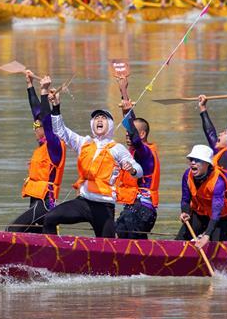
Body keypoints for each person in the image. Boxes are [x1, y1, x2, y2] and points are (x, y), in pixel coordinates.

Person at [42, 84, 142, 238]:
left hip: (104, 206)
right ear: (92, 124)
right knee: (49, 218)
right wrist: (56, 106)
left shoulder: (117, 148)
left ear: (109, 125)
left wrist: (132, 169)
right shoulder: (83, 143)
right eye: (96, 118)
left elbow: (138, 170)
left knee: (107, 247)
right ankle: (54, 254)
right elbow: (60, 131)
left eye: (103, 118)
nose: (99, 120)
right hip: (83, 202)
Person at [7, 72, 66, 233]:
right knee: (41, 237)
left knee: (12, 229)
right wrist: (29, 85)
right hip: (37, 200)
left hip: (45, 203)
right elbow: (36, 111)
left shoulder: (54, 145)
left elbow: (45, 119)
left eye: (36, 127)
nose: (34, 128)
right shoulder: (42, 145)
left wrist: (44, 91)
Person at [114, 77, 160, 239]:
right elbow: (131, 130)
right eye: (126, 134)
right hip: (132, 207)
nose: (127, 136)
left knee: (130, 241)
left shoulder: (145, 152)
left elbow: (133, 135)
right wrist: (122, 92)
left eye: (131, 134)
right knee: (118, 233)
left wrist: (125, 94)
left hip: (143, 210)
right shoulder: (134, 152)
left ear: (142, 134)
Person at [177, 145, 227, 248]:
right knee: (178, 243)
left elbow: (216, 212)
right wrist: (185, 212)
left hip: (219, 220)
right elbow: (185, 199)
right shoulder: (187, 175)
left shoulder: (218, 182)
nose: (193, 163)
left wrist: (207, 235)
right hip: (199, 215)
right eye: (191, 159)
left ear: (207, 164)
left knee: (215, 249)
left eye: (197, 160)